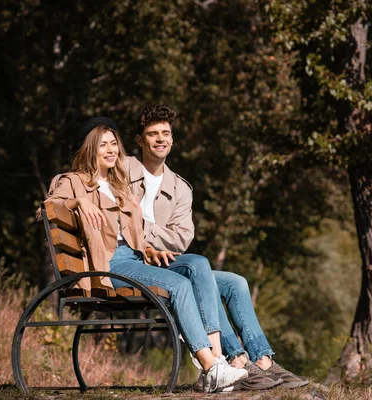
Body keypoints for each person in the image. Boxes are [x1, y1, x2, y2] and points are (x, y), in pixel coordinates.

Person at [44, 120, 247, 393]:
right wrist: (78, 202)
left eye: (114, 143)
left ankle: (217, 360)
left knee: (198, 264)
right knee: (178, 285)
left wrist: (149, 250)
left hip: (135, 258)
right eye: (102, 144)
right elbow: (48, 208)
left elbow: (130, 233)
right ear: (90, 149)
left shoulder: (117, 185)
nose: (110, 149)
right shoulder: (73, 181)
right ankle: (210, 365)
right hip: (110, 265)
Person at [125, 104, 309, 389]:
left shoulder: (180, 188)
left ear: (172, 139)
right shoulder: (122, 170)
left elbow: (182, 238)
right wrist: (144, 235)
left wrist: (142, 229)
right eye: (152, 134)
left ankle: (262, 360)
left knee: (235, 282)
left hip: (167, 262)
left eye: (165, 133)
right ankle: (233, 359)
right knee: (200, 269)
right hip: (136, 262)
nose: (160, 139)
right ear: (140, 140)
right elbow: (117, 217)